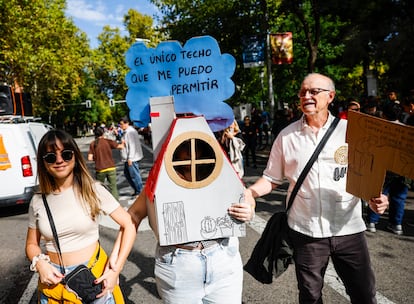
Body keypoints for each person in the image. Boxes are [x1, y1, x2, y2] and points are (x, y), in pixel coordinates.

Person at [243, 73, 389, 304]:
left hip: (348, 229)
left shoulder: (352, 131)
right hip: (305, 232)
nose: (306, 96)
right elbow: (271, 178)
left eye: (313, 91)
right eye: (302, 92)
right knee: (310, 296)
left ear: (330, 96)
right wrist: (250, 192)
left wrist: (377, 198)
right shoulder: (286, 136)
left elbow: (368, 175)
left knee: (364, 294)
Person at [113, 138, 254, 303]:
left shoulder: (219, 170)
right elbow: (133, 215)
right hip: (179, 264)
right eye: (184, 144)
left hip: (223, 256)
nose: (190, 151)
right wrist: (116, 263)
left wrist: (249, 209)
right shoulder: (161, 178)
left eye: (193, 144)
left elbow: (247, 196)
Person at [25, 129, 136, 303]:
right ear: (43, 163)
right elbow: (31, 244)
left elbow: (128, 224)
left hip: (93, 280)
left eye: (66, 154)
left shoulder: (93, 190)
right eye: (51, 157)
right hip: (52, 286)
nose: (59, 160)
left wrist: (115, 268)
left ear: (75, 157)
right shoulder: (38, 200)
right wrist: (39, 263)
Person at [366, 102, 409, 235]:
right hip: (402, 172)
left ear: (383, 115)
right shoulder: (407, 131)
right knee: (399, 199)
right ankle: (397, 224)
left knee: (377, 195)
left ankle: (372, 222)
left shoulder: (380, 130)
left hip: (382, 170)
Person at [88, 126, 124, 200]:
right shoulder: (108, 141)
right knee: (113, 187)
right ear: (103, 133)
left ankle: (101, 201)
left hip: (100, 169)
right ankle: (115, 202)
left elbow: (90, 158)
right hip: (111, 167)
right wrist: (123, 142)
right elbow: (120, 146)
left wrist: (96, 157)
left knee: (99, 187)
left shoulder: (93, 144)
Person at [119, 116, 144, 196]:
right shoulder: (127, 131)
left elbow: (132, 146)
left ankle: (139, 191)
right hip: (129, 158)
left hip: (131, 158)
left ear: (127, 123)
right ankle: (137, 190)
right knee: (128, 174)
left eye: (122, 124)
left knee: (134, 175)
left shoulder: (129, 132)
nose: (121, 126)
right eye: (120, 124)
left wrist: (130, 158)